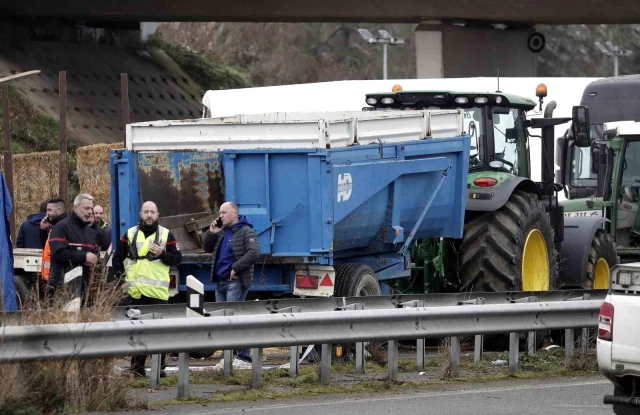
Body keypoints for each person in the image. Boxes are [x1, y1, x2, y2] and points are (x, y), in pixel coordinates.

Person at [112, 201, 182, 377]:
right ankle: (137, 367)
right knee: (137, 330)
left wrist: (162, 254)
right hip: (136, 292)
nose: (149, 215)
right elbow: (117, 258)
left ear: (158, 215)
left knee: (159, 332)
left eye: (152, 212)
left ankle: (160, 367)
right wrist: (120, 280)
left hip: (157, 293)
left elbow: (177, 259)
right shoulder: (129, 234)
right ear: (140, 214)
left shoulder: (166, 234)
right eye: (146, 212)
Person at [204, 202, 260, 364]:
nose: (220, 215)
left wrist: (235, 268)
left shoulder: (246, 231)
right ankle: (228, 355)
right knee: (223, 320)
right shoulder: (222, 232)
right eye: (220, 212)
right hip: (220, 282)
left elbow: (254, 252)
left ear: (234, 213)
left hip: (235, 282)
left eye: (224, 212)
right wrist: (211, 232)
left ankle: (242, 356)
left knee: (233, 319)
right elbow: (207, 248)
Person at [47, 194, 99, 301]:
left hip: (83, 287)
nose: (90, 212)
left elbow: (94, 252)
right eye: (86, 208)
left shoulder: (90, 232)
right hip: (62, 287)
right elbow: (58, 253)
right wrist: (84, 257)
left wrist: (94, 258)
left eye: (91, 208)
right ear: (75, 207)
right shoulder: (61, 227)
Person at [40, 198, 70, 284]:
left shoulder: (64, 226)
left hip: (59, 279)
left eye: (49, 210)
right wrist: (42, 230)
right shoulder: (54, 226)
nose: (47, 213)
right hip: (51, 277)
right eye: (47, 210)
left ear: (59, 210)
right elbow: (47, 248)